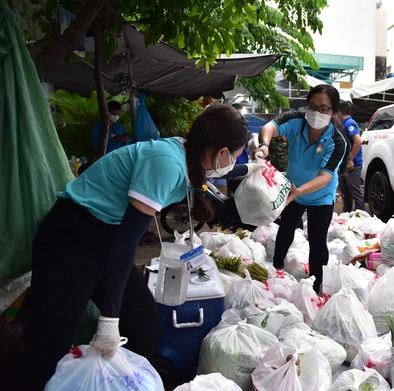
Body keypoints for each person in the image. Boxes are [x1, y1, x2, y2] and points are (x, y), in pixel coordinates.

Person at [14, 105, 252, 390]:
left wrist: (254, 169)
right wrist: (109, 317)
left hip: (105, 237)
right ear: (223, 152)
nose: (234, 161)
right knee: (51, 337)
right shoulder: (167, 163)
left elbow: (121, 241)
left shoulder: (189, 157)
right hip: (71, 237)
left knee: (143, 322)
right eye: (237, 155)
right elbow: (127, 243)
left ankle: (124, 383)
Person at [255, 84, 348, 293]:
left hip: (320, 196)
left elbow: (325, 177)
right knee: (285, 230)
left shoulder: (337, 141)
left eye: (324, 108)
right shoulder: (297, 121)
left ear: (333, 112)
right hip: (292, 192)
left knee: (317, 241)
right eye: (313, 106)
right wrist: (265, 145)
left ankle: (316, 288)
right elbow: (268, 127)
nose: (317, 113)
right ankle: (277, 268)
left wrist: (300, 191)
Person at [338, 100, 365, 212]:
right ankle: (346, 216)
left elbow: (358, 141)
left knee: (355, 193)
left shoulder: (349, 123)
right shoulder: (343, 124)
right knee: (346, 194)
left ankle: (362, 219)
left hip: (352, 165)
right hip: (345, 164)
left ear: (339, 112)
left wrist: (350, 159)